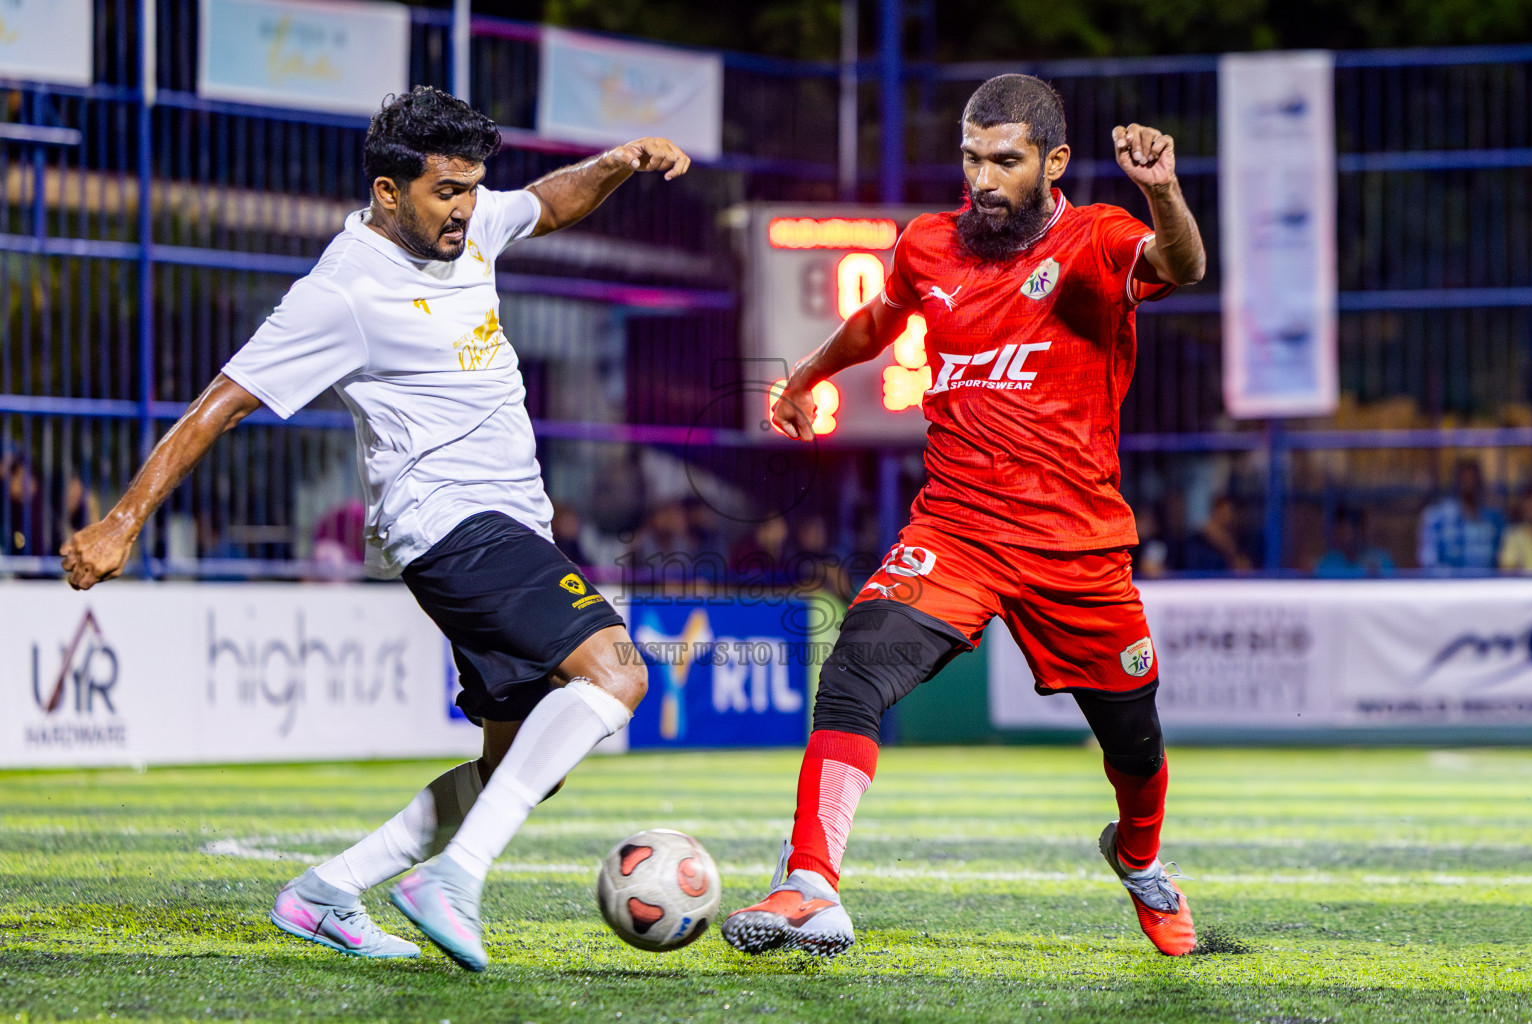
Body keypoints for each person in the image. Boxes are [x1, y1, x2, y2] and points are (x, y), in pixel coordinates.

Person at [59, 86, 690, 972]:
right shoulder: (343, 290)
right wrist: (123, 521)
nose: (466, 209)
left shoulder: (468, 227)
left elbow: (548, 203)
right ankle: (456, 879)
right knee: (616, 673)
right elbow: (222, 403)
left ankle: (324, 892)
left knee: (520, 765)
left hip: (510, 523)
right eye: (446, 192)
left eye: (473, 187)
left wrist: (619, 164)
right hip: (449, 523)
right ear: (389, 192)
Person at [720, 74, 1205, 959]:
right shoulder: (929, 244)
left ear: (1054, 162)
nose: (984, 179)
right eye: (973, 157)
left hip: (1076, 545)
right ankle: (811, 883)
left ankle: (1139, 860)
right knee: (856, 668)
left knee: (1135, 744)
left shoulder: (1097, 237)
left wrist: (1164, 192)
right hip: (957, 533)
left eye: (1006, 161)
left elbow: (1181, 266)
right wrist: (807, 376)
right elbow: (877, 320)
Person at [1418, 457, 1502, 570]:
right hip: (1448, 585)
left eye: (1472, 479)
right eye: (1464, 479)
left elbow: (1500, 561)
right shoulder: (1436, 517)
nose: (1469, 483)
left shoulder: (1492, 519)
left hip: (1488, 585)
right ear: (1455, 482)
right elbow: (1428, 561)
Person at [1315, 506, 1395, 578]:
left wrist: (1374, 577)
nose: (1343, 535)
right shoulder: (1330, 561)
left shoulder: (1380, 558)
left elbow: (1393, 585)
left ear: (1360, 531)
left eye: (1348, 529)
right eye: (1340, 530)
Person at [1183, 494, 1253, 572]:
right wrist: (1230, 561)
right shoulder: (1197, 540)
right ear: (1216, 510)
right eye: (1225, 510)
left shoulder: (1238, 540)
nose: (1229, 515)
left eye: (1232, 511)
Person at [1496, 484, 1532, 572]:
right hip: (1522, 585)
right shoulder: (1513, 535)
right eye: (1528, 505)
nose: (1531, 509)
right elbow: (1506, 569)